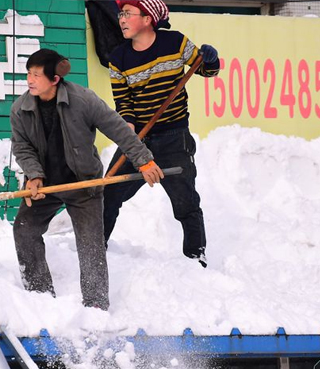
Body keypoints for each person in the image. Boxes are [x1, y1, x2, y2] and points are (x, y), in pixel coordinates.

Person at [10, 48, 164, 310]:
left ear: (55, 79)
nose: (30, 80)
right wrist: (34, 176)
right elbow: (22, 146)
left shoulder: (83, 100)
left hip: (84, 183)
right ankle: (40, 298)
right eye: (28, 74)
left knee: (91, 244)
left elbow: (118, 129)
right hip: (46, 184)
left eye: (37, 75)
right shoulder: (21, 109)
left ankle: (96, 307)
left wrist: (144, 160)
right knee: (24, 229)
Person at [105, 0, 220, 268]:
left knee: (185, 201)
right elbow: (124, 106)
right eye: (120, 14)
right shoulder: (118, 58)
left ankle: (195, 257)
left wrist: (211, 59)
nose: (121, 19)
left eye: (127, 14)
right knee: (108, 193)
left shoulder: (175, 44)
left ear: (147, 19)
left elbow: (205, 69)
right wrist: (130, 139)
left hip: (174, 136)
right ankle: (96, 248)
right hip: (137, 141)